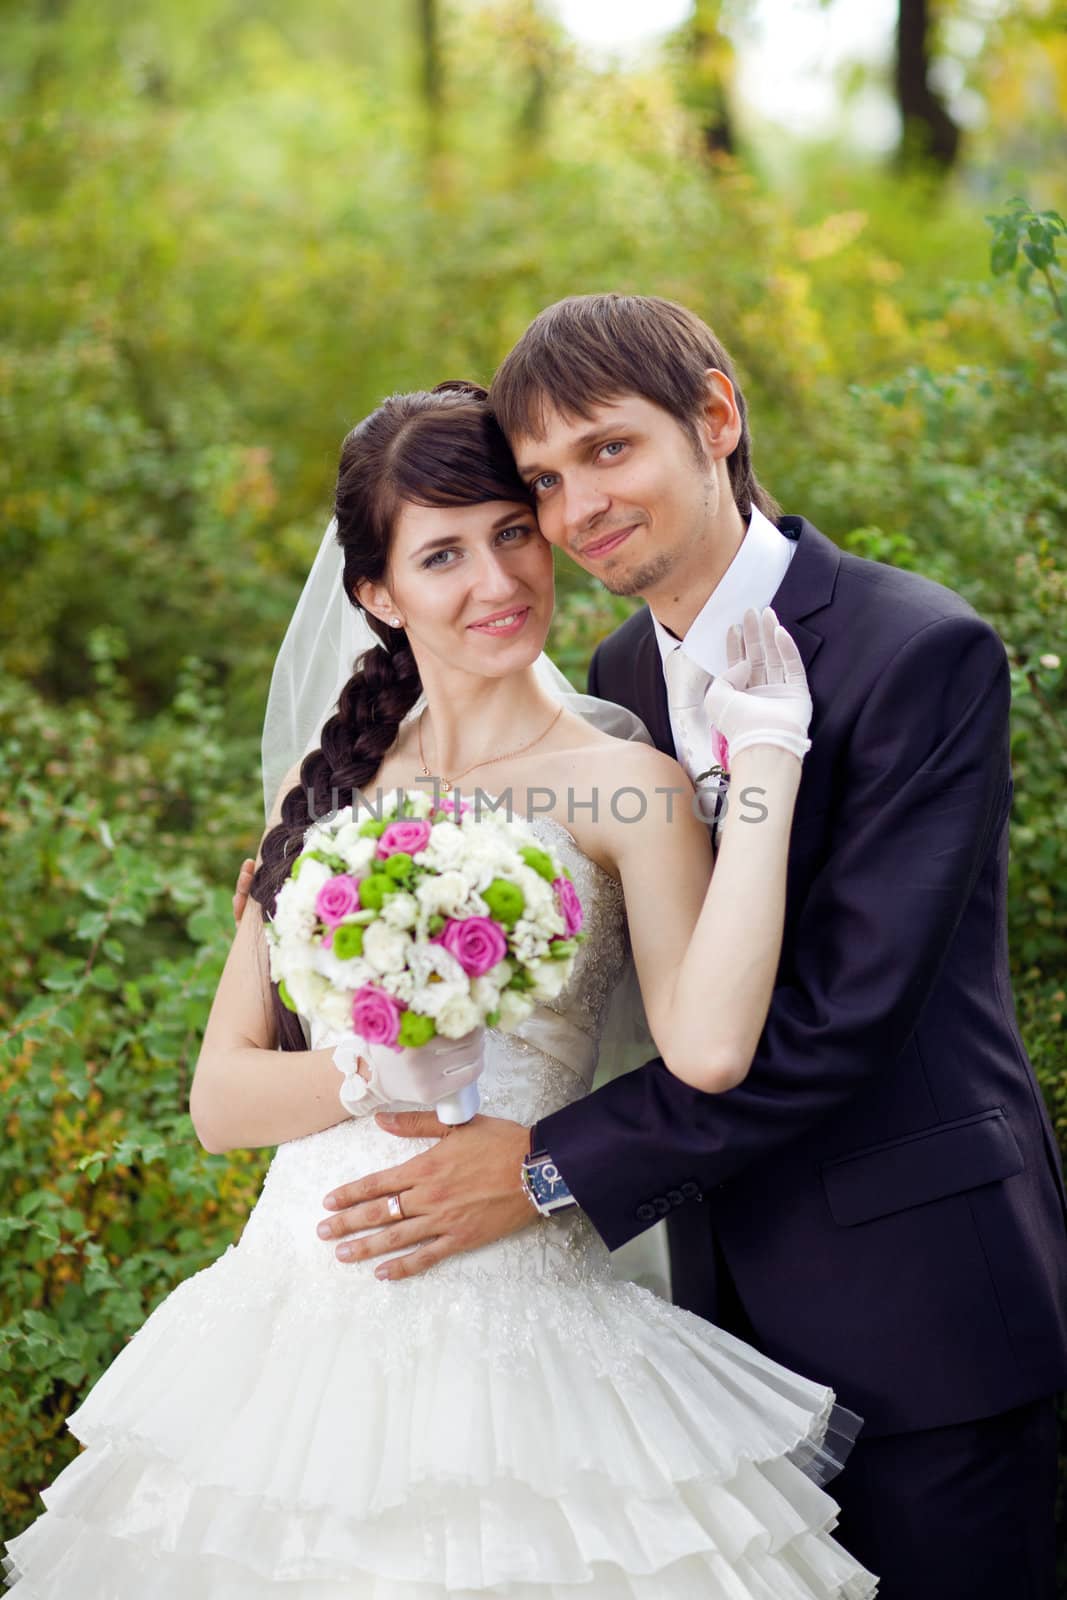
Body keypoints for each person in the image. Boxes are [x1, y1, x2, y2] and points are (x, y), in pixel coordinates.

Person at [3, 382, 878, 1597]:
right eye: (442, 554)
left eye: (514, 531)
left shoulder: (625, 786)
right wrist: (371, 1068)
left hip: (527, 1331)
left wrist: (769, 758)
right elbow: (220, 1099)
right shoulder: (326, 793)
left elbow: (713, 1050)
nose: (496, 580)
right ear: (377, 592)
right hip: (287, 1349)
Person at [272, 298, 1067, 1600]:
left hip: (918, 1306)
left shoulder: (915, 652)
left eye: (606, 450)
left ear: (714, 415)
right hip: (692, 1323)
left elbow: (833, 1023)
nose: (576, 508)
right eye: (543, 478)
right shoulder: (606, 681)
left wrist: (537, 1171)